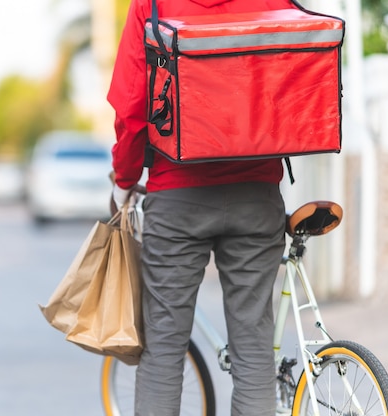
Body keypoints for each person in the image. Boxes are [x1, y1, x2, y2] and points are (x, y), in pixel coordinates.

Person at [108, 0, 293, 415]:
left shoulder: (152, 5)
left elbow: (132, 107)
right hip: (256, 191)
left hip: (176, 198)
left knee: (164, 351)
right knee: (254, 352)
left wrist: (124, 179)